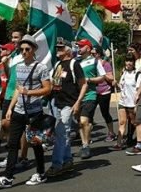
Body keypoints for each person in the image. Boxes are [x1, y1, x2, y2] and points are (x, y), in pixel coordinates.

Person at [0, 35, 52, 189]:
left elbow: (48, 88)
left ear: (34, 50)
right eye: (22, 49)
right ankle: (8, 177)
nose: (24, 52)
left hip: (34, 112)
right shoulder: (19, 67)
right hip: (19, 111)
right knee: (12, 143)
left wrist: (29, 92)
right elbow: (18, 90)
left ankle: (41, 173)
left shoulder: (41, 68)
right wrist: (10, 108)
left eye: (27, 49)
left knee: (34, 143)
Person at [45, 38, 86, 178]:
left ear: (68, 50)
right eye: (57, 47)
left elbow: (83, 84)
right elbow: (52, 83)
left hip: (68, 104)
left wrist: (77, 103)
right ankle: (68, 161)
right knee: (62, 134)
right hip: (56, 103)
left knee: (61, 134)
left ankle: (57, 164)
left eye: (61, 48)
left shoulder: (74, 65)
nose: (58, 50)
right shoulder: (58, 64)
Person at [74, 39, 106, 160]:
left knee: (84, 121)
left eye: (81, 46)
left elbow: (102, 77)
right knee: (80, 123)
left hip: (90, 95)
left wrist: (89, 80)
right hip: (78, 96)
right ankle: (84, 145)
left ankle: (86, 146)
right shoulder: (76, 61)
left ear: (88, 48)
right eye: (78, 46)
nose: (79, 48)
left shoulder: (94, 61)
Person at [114, 56, 139, 150]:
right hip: (123, 101)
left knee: (134, 122)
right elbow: (121, 86)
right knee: (122, 122)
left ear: (133, 62)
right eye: (127, 61)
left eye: (130, 61)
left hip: (132, 102)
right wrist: (115, 83)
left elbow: (138, 88)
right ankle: (118, 143)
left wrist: (137, 102)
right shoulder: (123, 73)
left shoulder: (137, 74)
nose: (128, 63)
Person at [93, 46, 117, 143]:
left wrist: (102, 73)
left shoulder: (105, 64)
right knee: (88, 115)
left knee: (105, 113)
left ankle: (111, 133)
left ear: (98, 54)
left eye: (93, 54)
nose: (92, 55)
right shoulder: (90, 64)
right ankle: (87, 137)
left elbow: (111, 78)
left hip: (104, 91)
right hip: (93, 92)